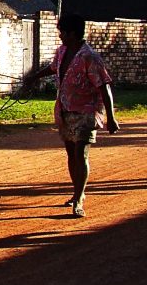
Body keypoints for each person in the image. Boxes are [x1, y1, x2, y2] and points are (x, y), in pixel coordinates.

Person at [23, 13, 119, 217]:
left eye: (62, 32)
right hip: (65, 110)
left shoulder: (89, 57)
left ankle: (78, 198)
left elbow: (104, 87)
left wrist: (111, 117)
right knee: (71, 155)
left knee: (80, 154)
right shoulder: (62, 51)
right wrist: (34, 77)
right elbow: (52, 68)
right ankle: (77, 192)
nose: (60, 36)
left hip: (85, 112)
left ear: (73, 33)